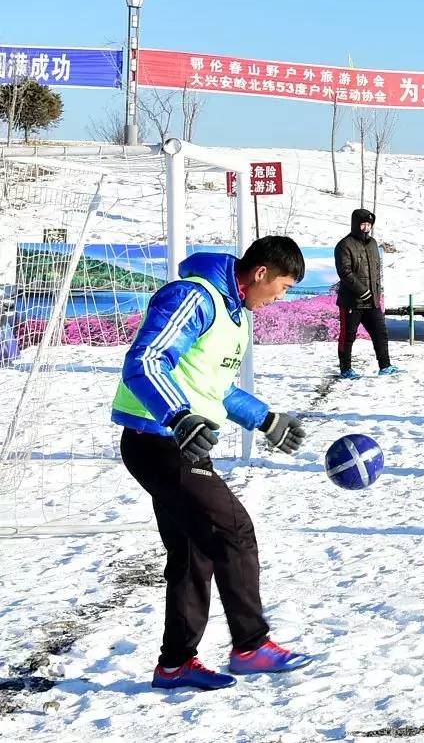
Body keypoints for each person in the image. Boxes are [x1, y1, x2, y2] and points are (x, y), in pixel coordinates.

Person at [112, 237, 315, 690]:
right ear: (260, 273)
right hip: (159, 440)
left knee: (193, 551)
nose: (281, 298)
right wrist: (178, 416)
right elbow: (145, 361)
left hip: (177, 442)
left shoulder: (234, 313)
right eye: (283, 287)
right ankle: (251, 646)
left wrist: (265, 419)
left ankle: (175, 664)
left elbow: (213, 387)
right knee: (233, 531)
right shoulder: (193, 296)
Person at [333, 207, 397, 379]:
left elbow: (376, 269)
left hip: (372, 301)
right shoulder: (345, 245)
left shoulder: (373, 243)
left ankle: (385, 366)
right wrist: (362, 290)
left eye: (369, 225)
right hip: (352, 301)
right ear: (355, 224)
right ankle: (346, 369)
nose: (366, 228)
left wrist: (375, 292)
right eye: (363, 224)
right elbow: (345, 272)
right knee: (348, 336)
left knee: (380, 333)